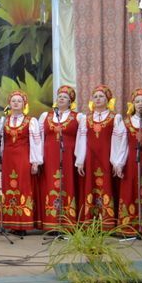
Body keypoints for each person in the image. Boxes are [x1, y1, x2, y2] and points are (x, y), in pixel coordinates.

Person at [76, 85, 126, 230]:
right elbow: (81, 140)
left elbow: (119, 141)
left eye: (101, 96)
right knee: (90, 186)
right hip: (90, 159)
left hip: (107, 158)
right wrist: (80, 160)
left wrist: (116, 162)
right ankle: (91, 222)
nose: (98, 99)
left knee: (107, 186)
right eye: (95, 96)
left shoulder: (115, 118)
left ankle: (107, 223)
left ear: (108, 99)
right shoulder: (86, 118)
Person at [37, 85, 84, 231]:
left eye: (65, 97)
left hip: (68, 155)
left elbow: (82, 139)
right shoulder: (46, 116)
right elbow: (39, 138)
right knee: (50, 184)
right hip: (49, 155)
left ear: (70, 101)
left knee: (67, 184)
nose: (61, 99)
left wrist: (79, 158)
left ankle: (67, 223)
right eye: (60, 97)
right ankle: (52, 223)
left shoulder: (78, 117)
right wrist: (38, 158)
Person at [0, 91, 42, 235]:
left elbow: (36, 142)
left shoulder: (30, 121)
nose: (16, 103)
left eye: (19, 101)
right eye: (13, 101)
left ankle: (22, 225)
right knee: (8, 187)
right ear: (9, 104)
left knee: (22, 187)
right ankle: (10, 223)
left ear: (24, 104)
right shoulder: (4, 121)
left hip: (23, 157)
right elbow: (0, 141)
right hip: (8, 158)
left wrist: (35, 162)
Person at [116, 88, 142, 232]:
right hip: (131, 161)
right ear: (133, 104)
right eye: (137, 101)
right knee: (130, 190)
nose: (140, 104)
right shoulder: (126, 122)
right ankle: (129, 226)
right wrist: (119, 163)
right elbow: (123, 145)